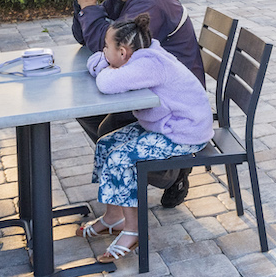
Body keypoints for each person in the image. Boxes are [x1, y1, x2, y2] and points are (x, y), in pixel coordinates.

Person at [70, 0, 206, 208]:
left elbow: (111, 48)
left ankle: (172, 173)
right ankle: (132, 186)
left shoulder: (150, 1)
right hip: (152, 91)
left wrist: (89, 4)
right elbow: (87, 38)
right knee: (88, 112)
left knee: (109, 128)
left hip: (175, 106)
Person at [81, 15, 216, 263]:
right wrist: (107, 62)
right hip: (170, 126)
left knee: (121, 158)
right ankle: (114, 217)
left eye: (106, 47)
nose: (102, 50)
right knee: (106, 143)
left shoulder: (148, 65)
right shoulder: (141, 56)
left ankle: (134, 231)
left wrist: (106, 67)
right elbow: (100, 65)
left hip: (185, 133)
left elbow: (105, 82)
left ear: (123, 52)